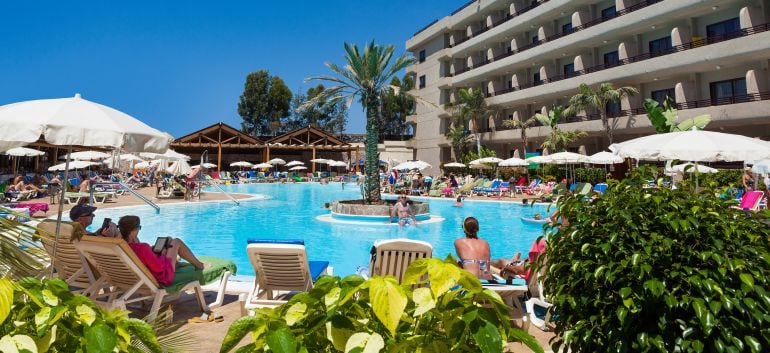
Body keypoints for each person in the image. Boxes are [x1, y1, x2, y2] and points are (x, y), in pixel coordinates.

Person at [117, 215, 207, 286]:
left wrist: (151, 250)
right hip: (162, 277)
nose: (138, 231)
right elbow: (159, 268)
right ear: (133, 230)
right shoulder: (142, 247)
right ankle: (199, 265)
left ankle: (177, 263)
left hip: (137, 278)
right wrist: (163, 254)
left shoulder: (121, 247)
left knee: (169, 240)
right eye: (139, 228)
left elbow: (141, 258)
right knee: (176, 241)